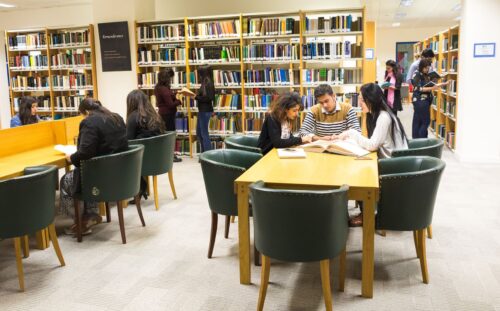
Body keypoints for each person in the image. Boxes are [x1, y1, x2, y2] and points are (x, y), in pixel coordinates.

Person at [336, 83, 409, 226]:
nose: (359, 103)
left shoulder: (383, 117)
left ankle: (367, 214)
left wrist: (351, 133)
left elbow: (372, 145)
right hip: (392, 161)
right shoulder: (377, 114)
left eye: (362, 100)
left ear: (371, 100)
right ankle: (365, 211)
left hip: (395, 165)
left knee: (361, 174)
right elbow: (373, 143)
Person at [60, 98, 128, 236]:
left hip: (101, 177)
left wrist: (71, 157)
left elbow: (85, 153)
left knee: (66, 180)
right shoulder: (116, 118)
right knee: (86, 170)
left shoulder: (89, 122)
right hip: (119, 173)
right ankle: (91, 214)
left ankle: (81, 220)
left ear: (85, 112)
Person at [126, 89, 165, 202]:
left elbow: (129, 140)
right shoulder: (155, 115)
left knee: (121, 158)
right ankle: (142, 187)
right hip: (158, 159)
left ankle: (139, 187)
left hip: (143, 161)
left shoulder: (133, 117)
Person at [411, 58, 448, 139]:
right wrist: (432, 88)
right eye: (426, 68)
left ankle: (417, 140)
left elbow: (431, 85)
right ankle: (421, 139)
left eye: (428, 68)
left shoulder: (426, 75)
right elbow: (418, 88)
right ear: (421, 66)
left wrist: (442, 84)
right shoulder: (416, 74)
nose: (427, 70)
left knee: (418, 120)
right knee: (426, 121)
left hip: (423, 101)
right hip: (420, 101)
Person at [155, 69, 182, 162]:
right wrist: (178, 101)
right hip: (168, 115)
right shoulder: (164, 89)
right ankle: (171, 156)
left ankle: (166, 155)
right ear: (166, 78)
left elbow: (165, 99)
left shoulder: (158, 87)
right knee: (170, 136)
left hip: (163, 114)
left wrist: (174, 94)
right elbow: (170, 104)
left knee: (165, 135)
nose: (170, 79)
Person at [195, 65, 215, 153]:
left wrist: (196, 97)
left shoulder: (208, 82)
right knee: (199, 133)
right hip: (202, 110)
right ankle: (204, 153)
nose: (199, 75)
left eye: (200, 73)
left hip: (205, 111)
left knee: (204, 133)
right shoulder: (205, 82)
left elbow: (209, 98)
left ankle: (207, 154)